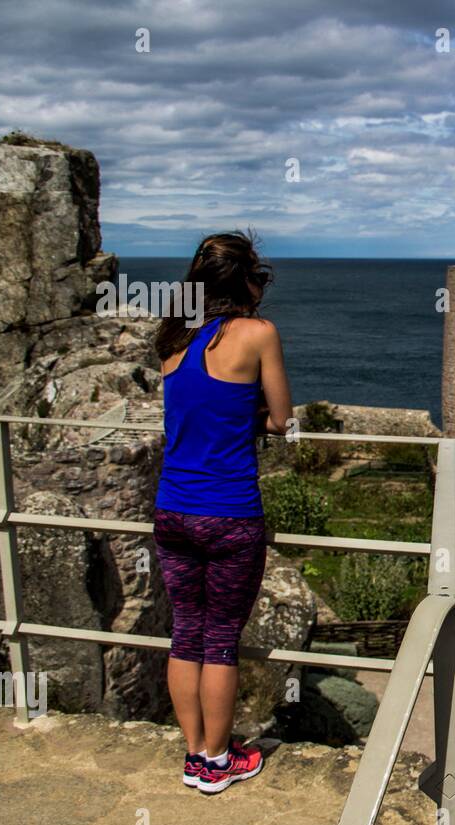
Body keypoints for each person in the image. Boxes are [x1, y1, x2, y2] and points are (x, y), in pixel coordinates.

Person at [153, 231, 290, 795]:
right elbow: (281, 419)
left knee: (185, 633)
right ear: (246, 283)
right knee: (220, 641)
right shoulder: (258, 333)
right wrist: (249, 417)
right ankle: (218, 759)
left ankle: (193, 756)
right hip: (230, 511)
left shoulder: (172, 338)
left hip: (172, 509)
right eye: (260, 277)